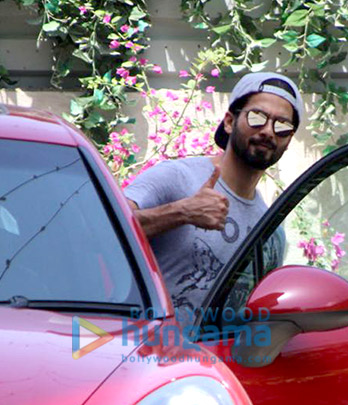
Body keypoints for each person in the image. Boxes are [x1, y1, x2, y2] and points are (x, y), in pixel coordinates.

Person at [125, 71, 303, 313]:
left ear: (289, 139)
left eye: (282, 125)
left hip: (216, 351)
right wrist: (182, 212)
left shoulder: (272, 234)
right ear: (230, 122)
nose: (268, 131)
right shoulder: (177, 178)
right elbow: (102, 230)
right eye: (257, 117)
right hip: (145, 348)